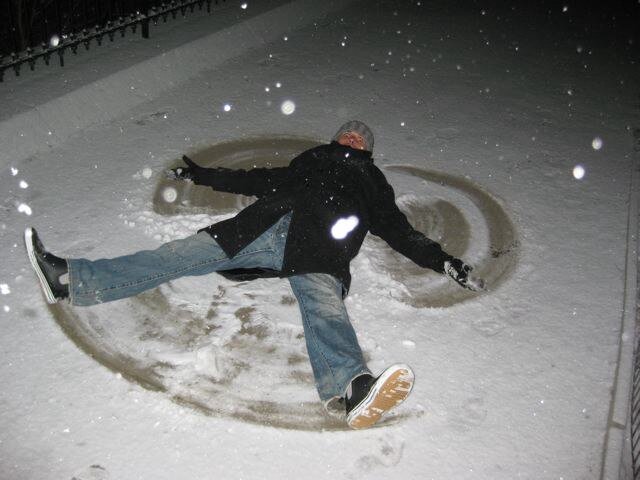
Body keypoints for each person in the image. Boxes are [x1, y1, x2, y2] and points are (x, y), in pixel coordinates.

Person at [24, 120, 484, 429]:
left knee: (324, 309)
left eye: (359, 138)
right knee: (176, 255)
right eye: (346, 134)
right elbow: (256, 180)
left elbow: (401, 233)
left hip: (322, 249)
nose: (351, 140)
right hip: (259, 228)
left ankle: (352, 387)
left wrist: (443, 261)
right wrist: (204, 175)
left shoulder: (374, 183)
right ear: (335, 139)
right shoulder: (310, 162)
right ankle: (72, 280)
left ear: (369, 150)